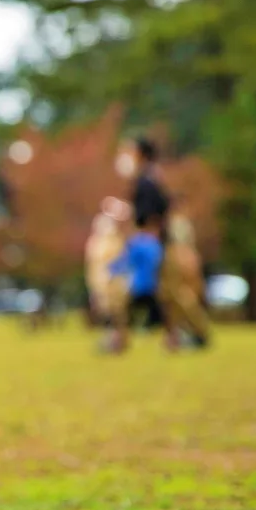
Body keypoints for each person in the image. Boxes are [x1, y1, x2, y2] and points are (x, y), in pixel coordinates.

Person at [106, 137, 170, 353]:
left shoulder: (147, 182)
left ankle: (120, 338)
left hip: (145, 245)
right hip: (146, 243)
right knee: (148, 294)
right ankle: (121, 337)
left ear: (141, 155)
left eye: (129, 151)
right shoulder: (150, 179)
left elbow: (151, 217)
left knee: (124, 289)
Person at [158, 196, 210, 348]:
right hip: (181, 268)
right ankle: (181, 335)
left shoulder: (177, 231)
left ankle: (190, 333)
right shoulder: (178, 230)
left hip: (182, 269)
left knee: (183, 301)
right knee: (177, 302)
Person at [85, 199, 127, 326]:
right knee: (106, 301)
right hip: (104, 271)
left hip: (113, 272)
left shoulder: (115, 239)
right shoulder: (101, 240)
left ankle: (117, 331)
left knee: (116, 302)